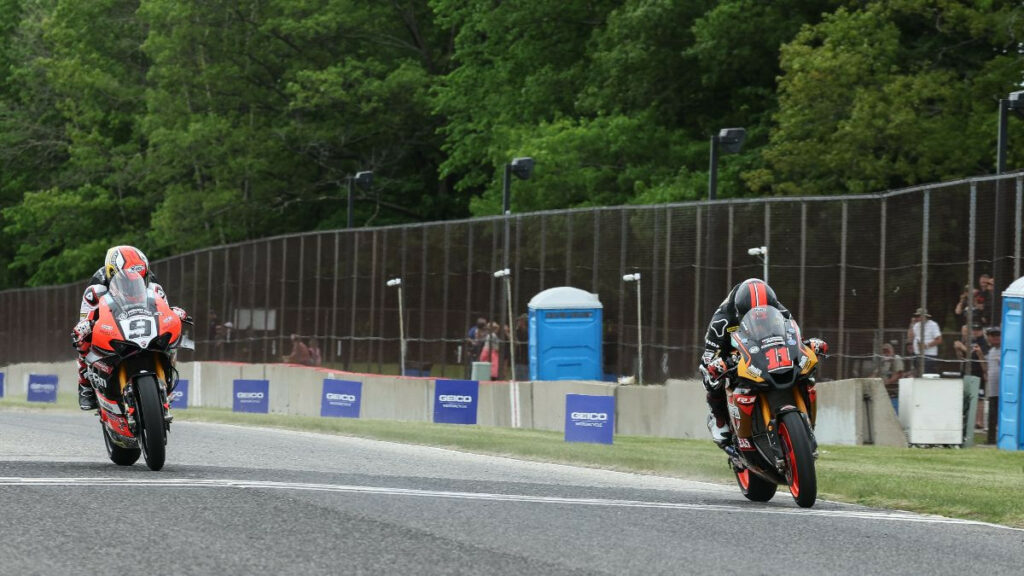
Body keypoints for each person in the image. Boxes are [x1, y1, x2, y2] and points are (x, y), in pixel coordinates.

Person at [698, 278, 827, 449]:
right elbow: (708, 358)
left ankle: (803, 428)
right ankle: (718, 418)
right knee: (712, 377)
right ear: (740, 313)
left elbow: (793, 338)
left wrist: (806, 345)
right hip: (731, 350)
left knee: (804, 372)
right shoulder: (721, 321)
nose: (758, 322)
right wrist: (716, 365)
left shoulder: (780, 310)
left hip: (764, 348)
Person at [71, 246, 188, 410]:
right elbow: (85, 318)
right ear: (113, 274)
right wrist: (84, 327)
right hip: (112, 324)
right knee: (82, 340)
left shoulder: (152, 283)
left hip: (141, 324)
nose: (136, 283)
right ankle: (85, 386)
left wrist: (174, 313)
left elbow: (163, 308)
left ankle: (166, 375)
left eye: (141, 278)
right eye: (129, 281)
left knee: (169, 336)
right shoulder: (95, 289)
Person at [907, 308, 942, 375]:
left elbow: (939, 339)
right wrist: (912, 324)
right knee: (917, 373)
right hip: (917, 354)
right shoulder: (916, 325)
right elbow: (910, 337)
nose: (917, 318)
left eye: (918, 316)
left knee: (926, 374)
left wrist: (926, 346)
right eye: (916, 316)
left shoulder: (933, 325)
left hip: (929, 355)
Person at [873, 343, 905, 413]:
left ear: (892, 351)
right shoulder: (882, 361)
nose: (886, 353)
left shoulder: (896, 358)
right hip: (882, 389)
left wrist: (888, 382)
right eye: (884, 351)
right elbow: (875, 373)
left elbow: (899, 374)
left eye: (887, 351)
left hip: (894, 389)